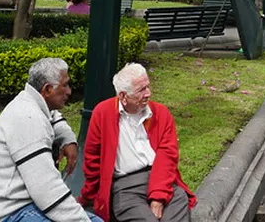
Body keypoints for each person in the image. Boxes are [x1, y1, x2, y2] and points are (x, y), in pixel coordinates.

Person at [0, 57, 99, 222]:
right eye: (65, 85)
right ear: (47, 90)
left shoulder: (30, 102)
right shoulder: (28, 119)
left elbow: (52, 115)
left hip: (26, 206)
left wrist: (67, 138)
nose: (69, 91)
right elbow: (47, 190)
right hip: (7, 213)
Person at [81, 63, 196, 222]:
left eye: (148, 86)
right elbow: (92, 159)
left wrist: (158, 196)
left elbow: (168, 156)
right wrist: (88, 196)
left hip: (161, 179)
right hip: (125, 186)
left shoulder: (161, 113)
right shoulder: (103, 113)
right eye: (141, 90)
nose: (148, 93)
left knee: (179, 200)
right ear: (123, 96)